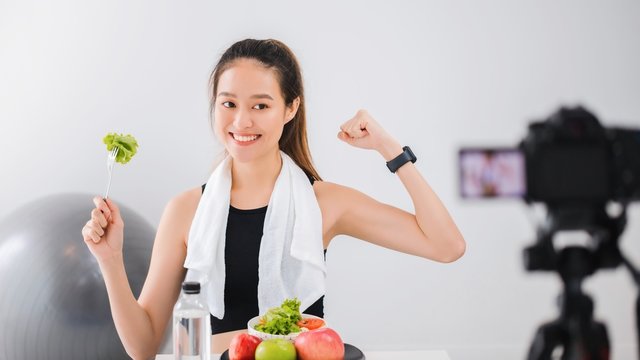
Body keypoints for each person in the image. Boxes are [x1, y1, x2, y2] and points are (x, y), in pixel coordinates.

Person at [81, 38, 465, 359]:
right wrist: (110, 260)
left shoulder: (325, 203)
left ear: (290, 108)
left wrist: (389, 148)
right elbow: (144, 346)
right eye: (229, 103)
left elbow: (446, 246)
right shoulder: (186, 211)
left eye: (261, 105)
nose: (242, 122)